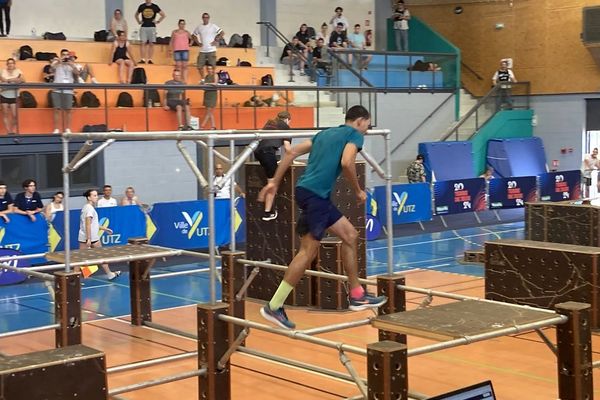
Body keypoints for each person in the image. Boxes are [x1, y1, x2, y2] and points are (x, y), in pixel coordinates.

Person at [257, 105, 387, 329]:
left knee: (350, 235)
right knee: (307, 252)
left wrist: (274, 182)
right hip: (316, 195)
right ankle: (274, 306)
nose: (367, 129)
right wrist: (357, 190)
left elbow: (291, 152)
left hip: (312, 194)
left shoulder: (324, 134)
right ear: (360, 121)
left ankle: (357, 294)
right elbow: (347, 162)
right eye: (367, 124)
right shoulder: (354, 135)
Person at [254, 111, 292, 221]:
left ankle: (268, 211)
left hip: (258, 152)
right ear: (287, 120)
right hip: (268, 153)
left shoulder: (270, 123)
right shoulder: (286, 126)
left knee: (271, 179)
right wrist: (292, 161)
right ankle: (266, 205)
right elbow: (287, 148)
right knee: (273, 183)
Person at [78, 189, 121, 281]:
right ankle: (74, 279)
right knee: (99, 256)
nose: (96, 197)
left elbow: (94, 224)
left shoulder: (86, 207)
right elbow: (88, 224)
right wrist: (89, 239)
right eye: (94, 195)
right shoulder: (89, 208)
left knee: (80, 258)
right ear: (89, 197)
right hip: (90, 237)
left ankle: (73, 279)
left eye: (97, 195)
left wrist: (105, 229)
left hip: (85, 236)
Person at [50, 49, 79, 134]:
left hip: (68, 89)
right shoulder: (57, 63)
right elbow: (51, 70)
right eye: (63, 54)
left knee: (68, 109)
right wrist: (59, 61)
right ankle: (56, 129)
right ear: (60, 55)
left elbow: (77, 73)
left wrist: (72, 65)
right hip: (57, 88)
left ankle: (68, 128)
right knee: (56, 109)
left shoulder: (71, 64)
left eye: (67, 55)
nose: (65, 56)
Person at [192, 13, 224, 81]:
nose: (205, 19)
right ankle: (203, 79)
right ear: (202, 18)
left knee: (213, 66)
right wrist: (198, 43)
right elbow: (193, 35)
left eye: (207, 17)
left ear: (209, 18)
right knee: (199, 66)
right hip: (203, 50)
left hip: (211, 50)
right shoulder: (199, 27)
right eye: (204, 17)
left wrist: (216, 40)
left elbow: (222, 33)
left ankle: (213, 79)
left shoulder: (213, 26)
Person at [135, 0, 165, 64]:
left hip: (152, 27)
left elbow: (163, 15)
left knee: (151, 43)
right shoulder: (142, 6)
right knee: (143, 43)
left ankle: (149, 59)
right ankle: (142, 59)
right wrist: (139, 21)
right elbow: (136, 14)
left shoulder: (155, 7)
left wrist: (158, 21)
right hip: (143, 27)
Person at [0, 58, 24, 135]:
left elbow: (22, 80)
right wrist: (14, 79)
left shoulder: (18, 71)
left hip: (14, 95)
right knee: (5, 114)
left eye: (12, 63)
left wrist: (8, 80)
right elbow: (2, 79)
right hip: (4, 94)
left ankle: (12, 129)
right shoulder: (2, 71)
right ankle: (9, 132)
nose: (10, 64)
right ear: (7, 64)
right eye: (9, 63)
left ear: (14, 64)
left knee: (15, 115)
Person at [201, 65, 217, 130]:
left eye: (210, 69)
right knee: (209, 111)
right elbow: (204, 85)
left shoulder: (215, 75)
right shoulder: (206, 76)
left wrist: (207, 84)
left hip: (212, 94)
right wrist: (202, 84)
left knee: (209, 111)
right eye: (208, 69)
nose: (209, 70)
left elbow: (215, 83)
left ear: (213, 69)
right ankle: (213, 126)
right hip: (207, 94)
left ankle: (202, 126)